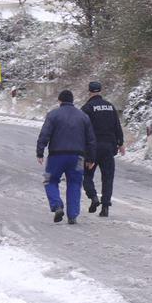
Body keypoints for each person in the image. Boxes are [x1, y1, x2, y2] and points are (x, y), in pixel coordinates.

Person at [36, 89, 96, 224]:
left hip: (56, 156)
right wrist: (91, 158)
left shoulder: (53, 115)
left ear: (59, 101)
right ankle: (73, 215)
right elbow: (91, 139)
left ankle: (57, 206)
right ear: (72, 101)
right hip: (78, 158)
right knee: (75, 183)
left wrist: (40, 152)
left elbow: (45, 134)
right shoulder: (83, 116)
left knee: (48, 180)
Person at [80, 80, 125, 217]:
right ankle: (105, 207)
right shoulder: (110, 107)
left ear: (89, 91)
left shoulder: (86, 108)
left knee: (86, 175)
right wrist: (121, 143)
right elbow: (117, 126)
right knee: (108, 177)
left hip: (92, 148)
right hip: (108, 148)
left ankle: (93, 197)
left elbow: (82, 129)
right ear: (100, 91)